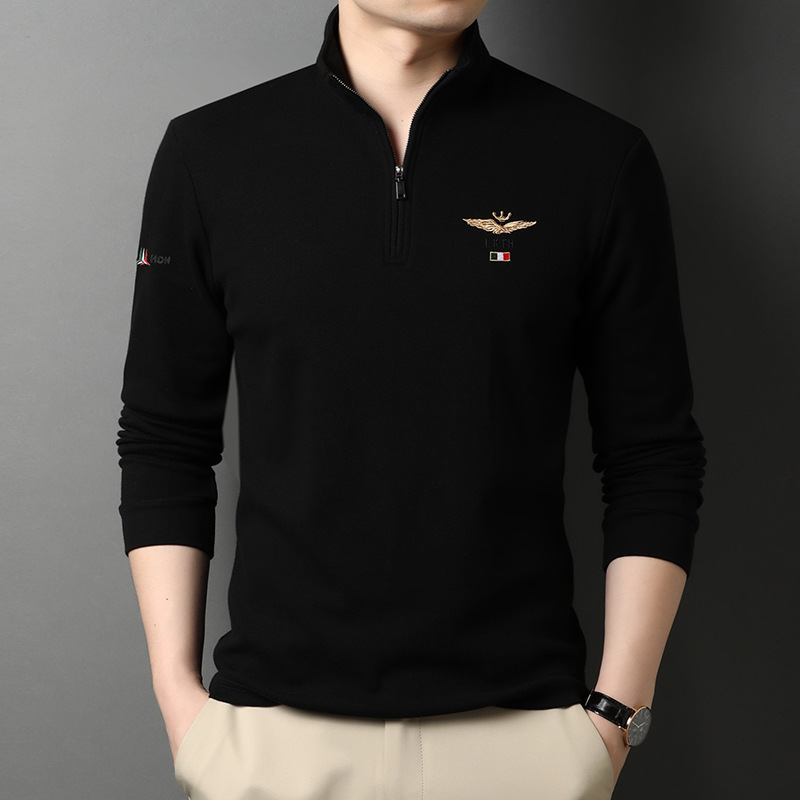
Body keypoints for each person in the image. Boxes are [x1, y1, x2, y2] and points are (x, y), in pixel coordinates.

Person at [116, 2, 706, 799]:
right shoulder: (211, 152)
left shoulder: (598, 158)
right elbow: (165, 439)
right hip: (271, 743)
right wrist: (180, 703)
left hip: (524, 745)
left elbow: (652, 453)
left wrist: (615, 716)